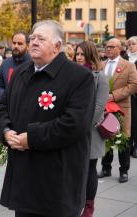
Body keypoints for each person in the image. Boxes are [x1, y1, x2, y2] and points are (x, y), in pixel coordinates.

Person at [0, 20, 95, 217]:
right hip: (24, 177)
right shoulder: (21, 73)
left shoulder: (79, 77)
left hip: (56, 181)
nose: (34, 42)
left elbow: (74, 124)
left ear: (58, 46)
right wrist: (6, 131)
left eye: (41, 39)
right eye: (32, 38)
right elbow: (2, 106)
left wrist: (30, 138)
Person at [74, 41, 109, 217]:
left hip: (90, 133)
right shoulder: (72, 74)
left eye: (82, 54)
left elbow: (99, 107)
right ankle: (75, 202)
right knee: (75, 169)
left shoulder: (99, 77)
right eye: (77, 54)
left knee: (89, 169)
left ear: (90, 55)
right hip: (73, 131)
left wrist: (80, 126)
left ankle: (88, 206)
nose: (79, 57)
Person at [98, 38, 137, 183]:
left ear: (119, 49)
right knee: (105, 135)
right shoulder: (101, 64)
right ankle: (106, 167)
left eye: (111, 47)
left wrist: (113, 96)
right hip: (104, 108)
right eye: (106, 46)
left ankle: (124, 170)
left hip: (121, 108)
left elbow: (134, 85)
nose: (107, 49)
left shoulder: (128, 66)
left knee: (123, 140)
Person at [0, 31, 31, 99]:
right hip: (8, 106)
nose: (16, 46)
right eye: (14, 43)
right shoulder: (5, 63)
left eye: (20, 44)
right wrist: (6, 96)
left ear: (28, 46)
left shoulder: (34, 63)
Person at [127, 36, 137, 158]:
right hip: (125, 94)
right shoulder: (125, 58)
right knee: (128, 121)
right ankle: (128, 144)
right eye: (129, 44)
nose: (131, 46)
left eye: (133, 44)